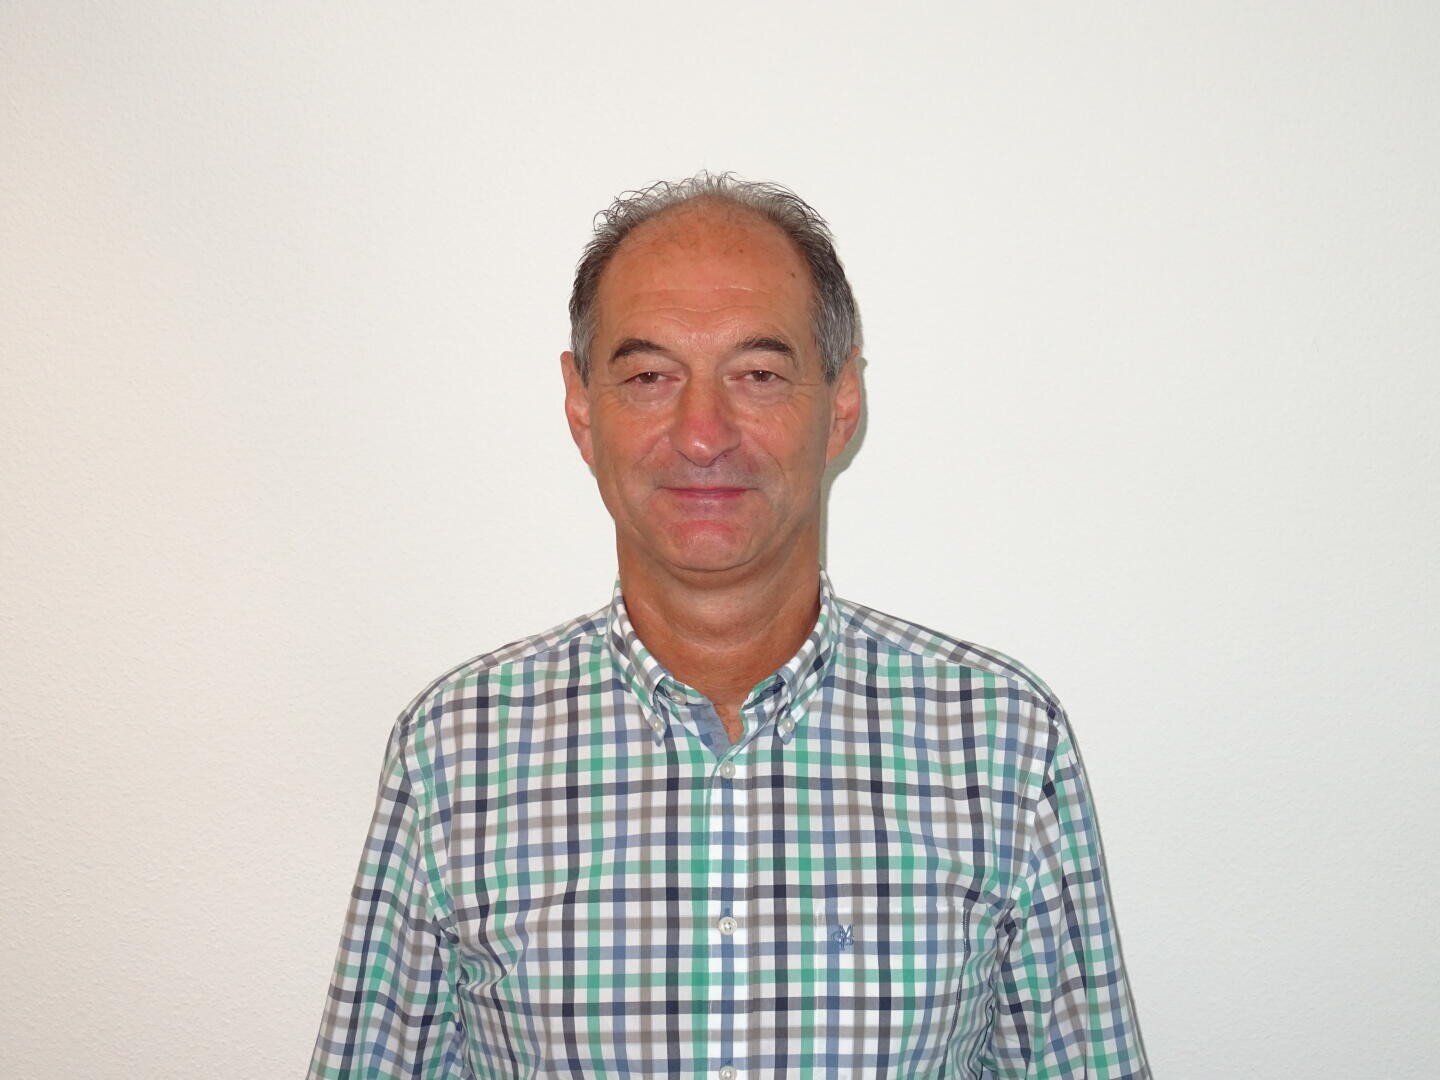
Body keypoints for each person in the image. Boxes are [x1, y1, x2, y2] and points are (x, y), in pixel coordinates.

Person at [308, 173, 1148, 1078]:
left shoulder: (1001, 743)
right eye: (648, 375)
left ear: (844, 402)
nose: (702, 432)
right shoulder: (454, 751)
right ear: (583, 407)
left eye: (757, 374)